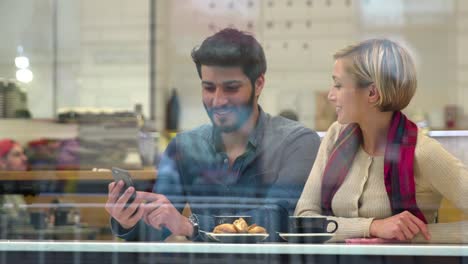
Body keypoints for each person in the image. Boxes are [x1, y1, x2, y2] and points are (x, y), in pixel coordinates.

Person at [106, 28, 321, 241]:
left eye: (231, 88)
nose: (218, 101)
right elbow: (159, 227)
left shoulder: (298, 143)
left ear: (258, 84)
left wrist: (191, 227)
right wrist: (129, 220)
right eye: (209, 88)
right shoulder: (184, 147)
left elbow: (276, 218)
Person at [295, 38, 468, 243]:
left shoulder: (423, 153)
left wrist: (412, 237)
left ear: (372, 93)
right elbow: (302, 221)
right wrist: (373, 227)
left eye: (339, 85)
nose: (330, 96)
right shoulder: (335, 137)